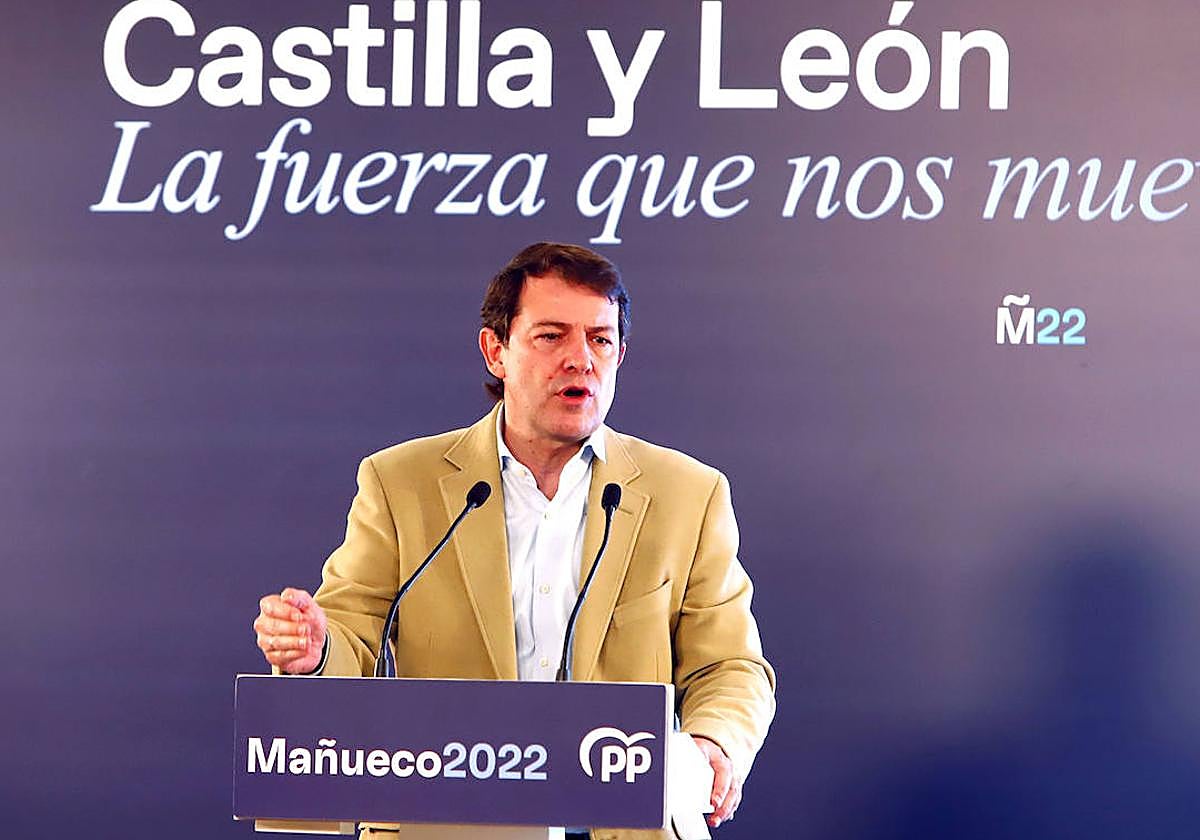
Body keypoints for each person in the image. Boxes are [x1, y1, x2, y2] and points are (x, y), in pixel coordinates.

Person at [253, 242, 775, 837]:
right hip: (449, 824)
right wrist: (317, 650)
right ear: (496, 350)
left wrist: (714, 741)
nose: (581, 359)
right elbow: (352, 634)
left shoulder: (688, 494)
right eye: (552, 336)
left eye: (600, 340)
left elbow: (731, 665)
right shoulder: (401, 483)